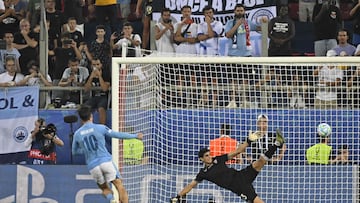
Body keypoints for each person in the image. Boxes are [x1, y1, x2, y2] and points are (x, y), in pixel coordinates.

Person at [171, 129, 286, 203]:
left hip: (241, 175)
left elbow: (237, 151)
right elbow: (191, 185)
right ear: (201, 159)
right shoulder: (203, 173)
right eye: (206, 156)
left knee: (260, 162)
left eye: (210, 154)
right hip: (238, 186)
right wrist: (178, 196)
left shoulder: (218, 159)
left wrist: (248, 141)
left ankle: (277, 144)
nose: (209, 157)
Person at [72, 104, 144, 202]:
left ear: (81, 119)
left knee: (105, 189)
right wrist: (135, 136)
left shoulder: (77, 134)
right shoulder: (100, 128)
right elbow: (117, 135)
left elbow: (74, 152)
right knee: (119, 185)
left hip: (93, 166)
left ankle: (111, 200)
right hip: (105, 161)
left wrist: (85, 150)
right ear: (91, 116)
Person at [84, 58, 110, 124]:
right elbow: (86, 89)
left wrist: (100, 76)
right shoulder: (90, 75)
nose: (95, 66)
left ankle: (101, 128)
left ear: (101, 65)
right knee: (84, 108)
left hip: (103, 97)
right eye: (94, 65)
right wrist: (91, 78)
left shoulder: (106, 74)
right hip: (93, 97)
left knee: (101, 108)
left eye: (97, 64)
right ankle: (85, 128)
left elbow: (105, 89)